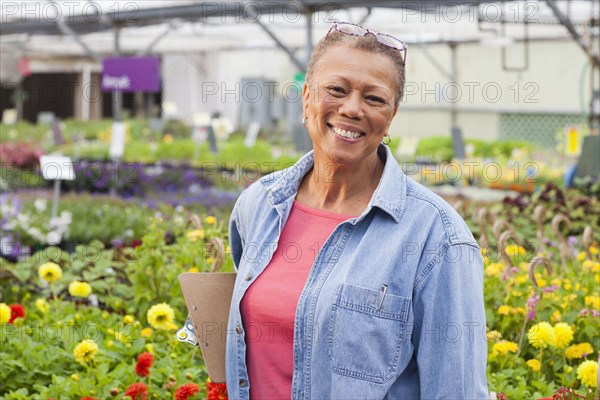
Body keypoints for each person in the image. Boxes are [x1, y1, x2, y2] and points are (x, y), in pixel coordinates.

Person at [226, 21, 488, 399]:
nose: (351, 109)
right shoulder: (260, 205)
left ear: (391, 116)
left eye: (374, 98)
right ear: (306, 98)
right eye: (336, 90)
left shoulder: (437, 238)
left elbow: (456, 391)